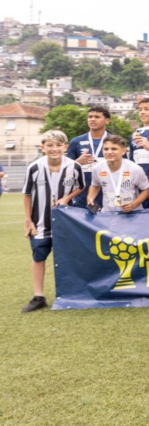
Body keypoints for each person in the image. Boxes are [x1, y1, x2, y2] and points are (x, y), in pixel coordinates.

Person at [21, 130, 85, 313]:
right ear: (43, 148)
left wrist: (66, 198)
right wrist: (27, 221)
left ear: (65, 147)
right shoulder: (34, 167)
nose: (54, 149)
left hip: (66, 221)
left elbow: (81, 187)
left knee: (69, 257)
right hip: (40, 221)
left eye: (58, 145)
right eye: (49, 145)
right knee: (39, 256)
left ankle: (73, 293)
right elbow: (26, 194)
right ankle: (39, 296)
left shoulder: (74, 166)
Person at [86, 135, 149, 213]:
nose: (109, 152)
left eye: (114, 149)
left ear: (123, 151)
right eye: (106, 149)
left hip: (132, 214)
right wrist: (90, 197)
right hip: (108, 214)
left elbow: (147, 191)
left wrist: (133, 205)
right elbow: (95, 185)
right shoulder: (97, 168)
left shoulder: (135, 169)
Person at [66, 105, 111, 207]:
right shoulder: (76, 141)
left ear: (107, 120)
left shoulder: (114, 141)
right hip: (81, 195)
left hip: (108, 194)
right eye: (90, 117)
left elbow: (125, 165)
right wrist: (77, 162)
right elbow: (66, 170)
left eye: (97, 117)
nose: (92, 119)